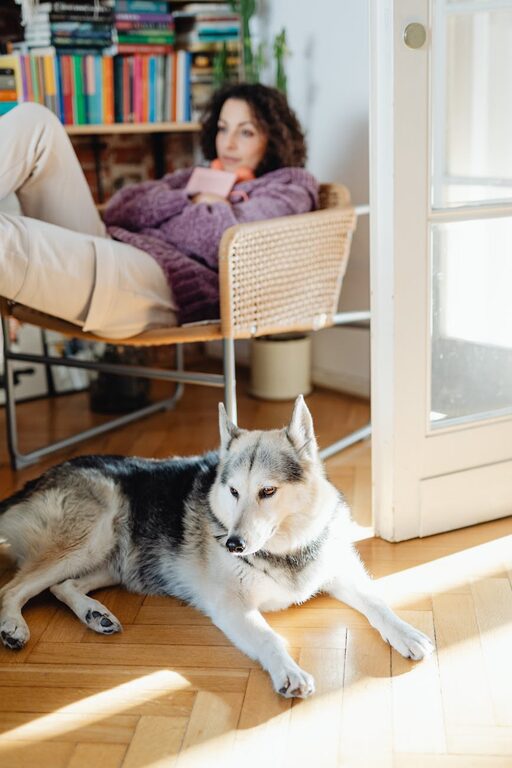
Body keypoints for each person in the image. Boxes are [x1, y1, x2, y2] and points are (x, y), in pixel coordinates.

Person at [0, 82, 319, 336]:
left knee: (6, 236)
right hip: (109, 244)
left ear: (274, 138)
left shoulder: (289, 187)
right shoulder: (199, 176)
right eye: (223, 128)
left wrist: (180, 213)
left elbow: (223, 243)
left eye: (246, 132)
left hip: (162, 283)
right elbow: (120, 209)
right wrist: (192, 201)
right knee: (36, 121)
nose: (229, 142)